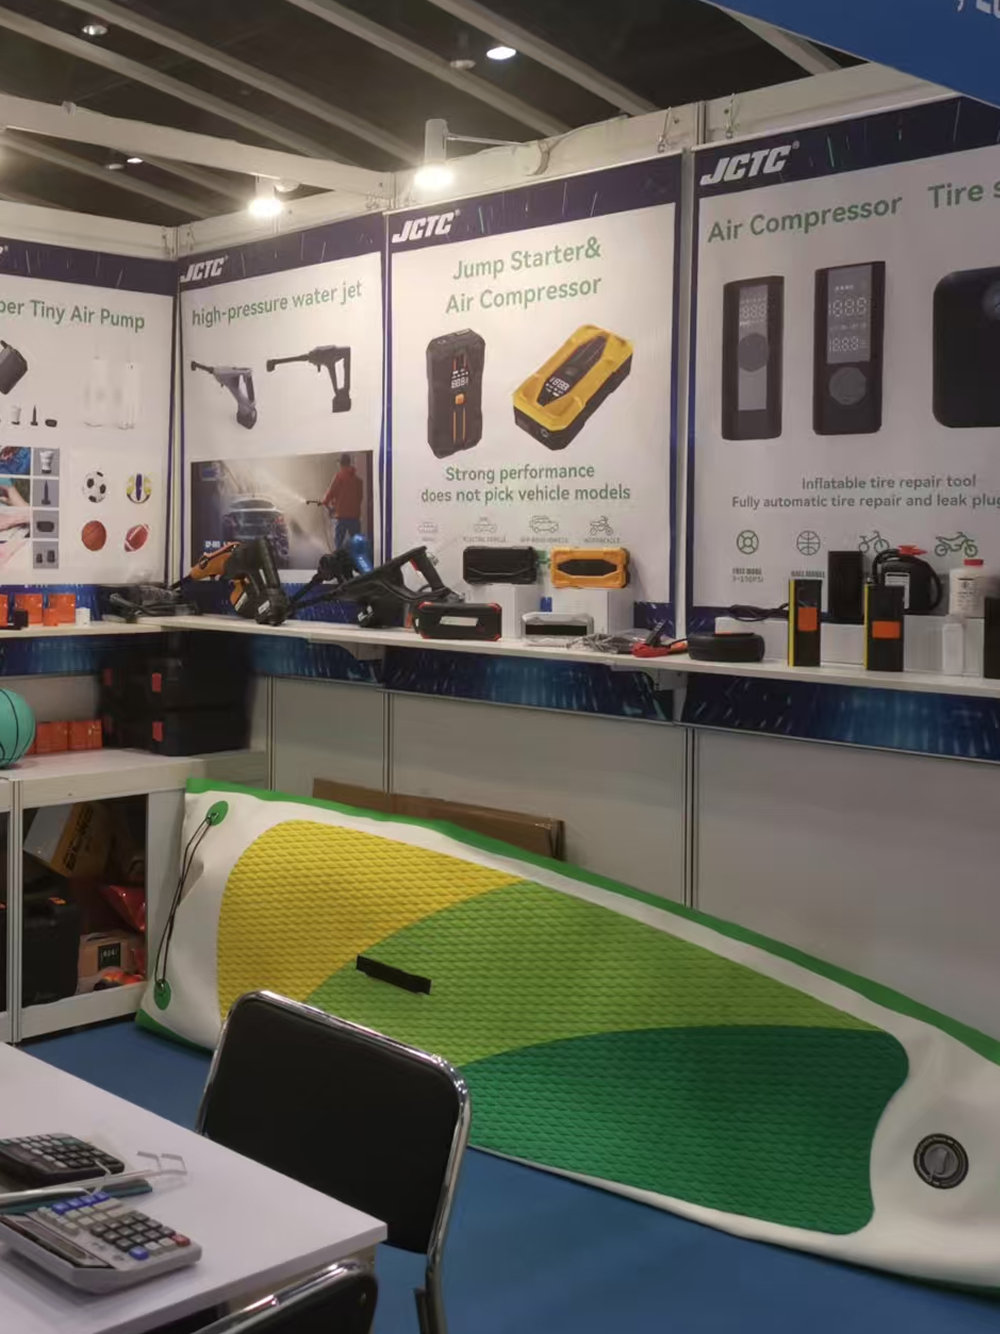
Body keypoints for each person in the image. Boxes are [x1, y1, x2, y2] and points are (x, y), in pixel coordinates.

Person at [321, 454, 364, 549]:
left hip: (342, 518)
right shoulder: (357, 480)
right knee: (357, 545)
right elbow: (360, 498)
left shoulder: (339, 477)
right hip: (355, 518)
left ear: (341, 464)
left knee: (338, 544)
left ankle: (339, 557)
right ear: (349, 463)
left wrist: (327, 503)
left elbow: (330, 494)